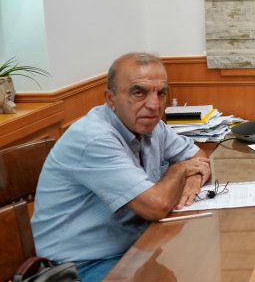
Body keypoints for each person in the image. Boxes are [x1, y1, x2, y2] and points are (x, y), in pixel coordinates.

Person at [31, 53, 211, 282]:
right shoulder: (95, 138)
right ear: (111, 99)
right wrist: (180, 170)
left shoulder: (151, 125)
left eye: (161, 93)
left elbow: (197, 156)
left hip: (133, 248)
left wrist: (193, 178)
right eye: (139, 92)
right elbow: (156, 207)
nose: (154, 105)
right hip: (76, 266)